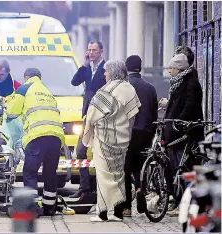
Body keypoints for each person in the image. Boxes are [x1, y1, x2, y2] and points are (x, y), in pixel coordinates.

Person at [82, 60, 141, 222]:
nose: (104, 74)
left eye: (106, 71)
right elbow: (133, 115)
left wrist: (86, 136)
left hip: (104, 139)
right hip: (122, 139)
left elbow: (92, 115)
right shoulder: (129, 89)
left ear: (113, 72)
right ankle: (117, 212)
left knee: (103, 175)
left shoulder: (105, 91)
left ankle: (102, 212)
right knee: (119, 175)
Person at [6, 68, 65, 216]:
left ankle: (31, 209)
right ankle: (50, 208)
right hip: (56, 137)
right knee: (50, 173)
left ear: (26, 77)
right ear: (40, 77)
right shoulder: (47, 91)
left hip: (37, 136)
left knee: (30, 172)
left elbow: (12, 112)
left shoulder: (24, 88)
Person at [161, 51, 203, 216]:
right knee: (175, 168)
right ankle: (178, 201)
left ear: (178, 69)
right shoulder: (178, 82)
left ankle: (184, 203)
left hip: (185, 133)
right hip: (175, 132)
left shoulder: (190, 83)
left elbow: (189, 107)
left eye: (171, 67)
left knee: (184, 168)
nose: (169, 70)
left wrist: (178, 122)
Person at [122, 55, 158, 216]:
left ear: (126, 68)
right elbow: (154, 114)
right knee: (140, 166)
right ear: (140, 67)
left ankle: (127, 206)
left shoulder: (124, 86)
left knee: (125, 168)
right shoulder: (150, 88)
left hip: (127, 133)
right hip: (145, 132)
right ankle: (139, 188)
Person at [70, 39, 106, 199]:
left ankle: (99, 189)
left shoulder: (106, 69)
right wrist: (84, 64)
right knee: (80, 151)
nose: (91, 53)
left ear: (101, 52)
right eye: (89, 50)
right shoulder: (87, 69)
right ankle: (84, 188)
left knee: (100, 152)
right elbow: (74, 81)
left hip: (101, 115)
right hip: (87, 115)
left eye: (94, 50)